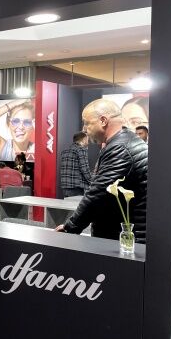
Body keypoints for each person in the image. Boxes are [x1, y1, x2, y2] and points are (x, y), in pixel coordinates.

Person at [56, 99, 148, 242]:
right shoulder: (126, 142)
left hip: (123, 238)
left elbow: (98, 194)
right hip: (127, 233)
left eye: (87, 123)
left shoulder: (120, 148)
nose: (84, 129)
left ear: (103, 121)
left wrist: (71, 227)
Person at [59, 132, 92, 197]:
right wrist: (93, 182)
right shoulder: (81, 150)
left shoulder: (64, 152)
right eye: (87, 139)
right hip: (77, 188)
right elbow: (85, 170)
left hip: (65, 187)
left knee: (67, 204)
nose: (88, 142)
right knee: (77, 204)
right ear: (84, 139)